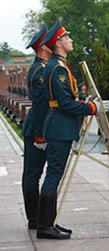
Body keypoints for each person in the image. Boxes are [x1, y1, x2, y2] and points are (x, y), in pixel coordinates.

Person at [36, 20, 109, 239]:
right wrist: (91, 107)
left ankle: (49, 222)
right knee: (53, 176)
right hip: (59, 127)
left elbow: (68, 98)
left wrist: (85, 101)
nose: (71, 40)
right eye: (67, 37)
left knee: (55, 175)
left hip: (60, 126)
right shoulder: (57, 69)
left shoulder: (59, 65)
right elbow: (66, 104)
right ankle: (44, 227)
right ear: (58, 43)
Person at [21, 24, 51, 230]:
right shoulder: (40, 72)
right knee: (33, 174)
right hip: (36, 129)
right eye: (48, 42)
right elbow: (41, 106)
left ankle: (35, 217)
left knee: (33, 173)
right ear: (42, 47)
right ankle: (34, 218)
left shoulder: (40, 69)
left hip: (36, 127)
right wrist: (41, 135)